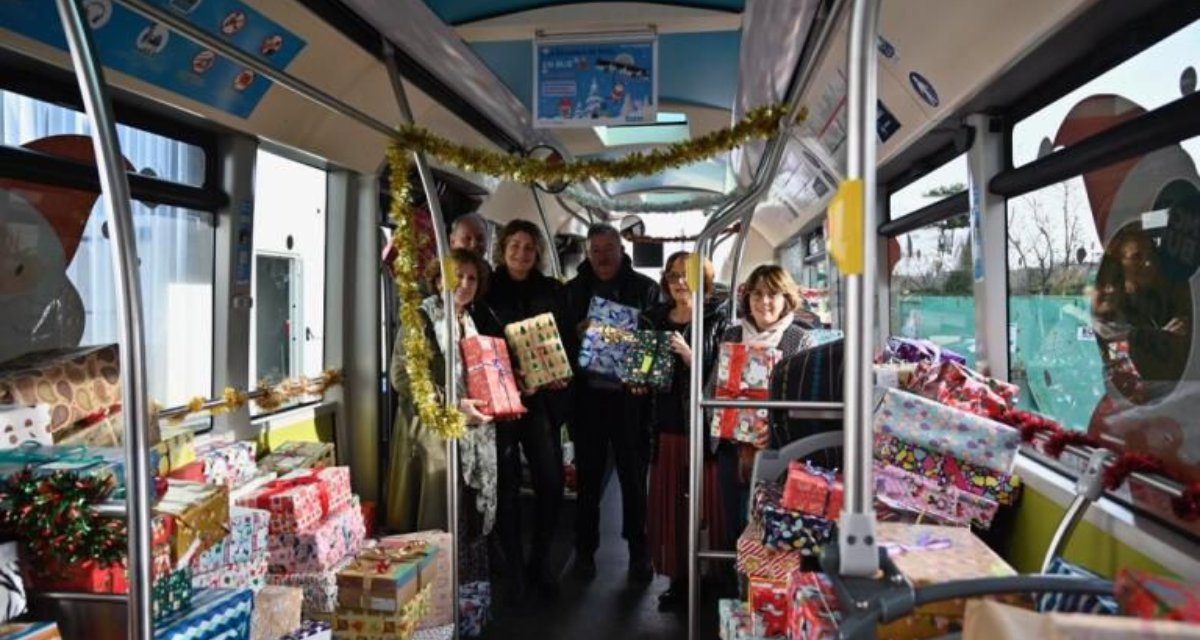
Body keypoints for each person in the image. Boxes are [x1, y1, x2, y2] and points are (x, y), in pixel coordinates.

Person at [385, 248, 500, 584]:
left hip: (469, 433)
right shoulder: (421, 318)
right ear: (437, 280)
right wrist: (452, 406)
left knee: (464, 515)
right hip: (433, 433)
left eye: (471, 278)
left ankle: (463, 596)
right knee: (438, 517)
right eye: (455, 276)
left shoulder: (469, 318)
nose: (463, 284)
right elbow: (402, 377)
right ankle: (436, 599)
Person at [564, 223, 661, 583]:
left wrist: (644, 378)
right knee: (587, 481)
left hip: (629, 402)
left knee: (634, 480)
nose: (603, 256)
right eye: (596, 250)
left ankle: (639, 551)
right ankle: (584, 551)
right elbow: (561, 347)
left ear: (622, 250)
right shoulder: (573, 292)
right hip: (586, 400)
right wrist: (576, 332)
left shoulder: (646, 289)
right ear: (588, 253)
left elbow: (654, 342)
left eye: (609, 248)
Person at [484, 220, 570, 604]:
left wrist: (559, 375)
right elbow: (479, 346)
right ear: (503, 249)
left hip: (540, 402)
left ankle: (540, 560)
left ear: (538, 254)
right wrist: (514, 376)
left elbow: (566, 338)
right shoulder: (487, 289)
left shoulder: (551, 290)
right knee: (505, 488)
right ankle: (516, 569)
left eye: (529, 248)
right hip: (502, 400)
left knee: (550, 482)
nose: (522, 253)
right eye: (515, 246)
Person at [643, 252, 729, 610]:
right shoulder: (653, 319)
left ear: (704, 281)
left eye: (688, 275)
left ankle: (714, 575)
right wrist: (638, 379)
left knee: (708, 504)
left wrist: (692, 358)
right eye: (674, 275)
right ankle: (680, 579)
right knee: (673, 507)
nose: (680, 282)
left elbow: (725, 375)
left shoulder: (719, 320)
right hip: (664, 426)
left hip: (703, 428)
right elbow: (644, 369)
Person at [713, 264, 809, 544]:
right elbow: (713, 387)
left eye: (772, 294)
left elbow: (804, 401)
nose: (764, 301)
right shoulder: (731, 335)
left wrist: (776, 429)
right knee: (733, 524)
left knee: (769, 527)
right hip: (730, 447)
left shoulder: (798, 339)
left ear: (786, 299)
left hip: (776, 449)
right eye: (756, 294)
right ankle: (737, 585)